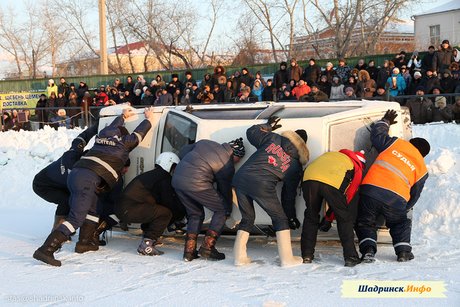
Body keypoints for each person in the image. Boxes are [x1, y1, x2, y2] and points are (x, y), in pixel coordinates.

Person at [33, 107, 154, 266]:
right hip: (87, 179)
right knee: (76, 218)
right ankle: (46, 249)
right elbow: (139, 134)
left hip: (79, 174)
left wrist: (122, 116)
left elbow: (113, 126)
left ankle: (84, 243)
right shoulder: (124, 144)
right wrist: (149, 119)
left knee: (93, 209)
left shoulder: (104, 135)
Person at [232, 117, 309, 267]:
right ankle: (287, 259)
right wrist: (290, 216)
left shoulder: (274, 138)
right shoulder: (295, 166)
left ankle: (239, 258)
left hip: (240, 179)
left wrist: (268, 126)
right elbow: (288, 195)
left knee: (247, 218)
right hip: (261, 185)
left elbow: (251, 131)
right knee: (280, 219)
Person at [356, 110, 430, 263]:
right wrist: (405, 206)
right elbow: (415, 194)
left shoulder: (398, 144)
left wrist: (385, 121)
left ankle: (368, 251)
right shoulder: (422, 168)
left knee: (366, 221)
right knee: (400, 223)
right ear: (423, 155)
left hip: (370, 190)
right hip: (396, 199)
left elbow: (377, 136)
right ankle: (403, 252)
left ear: (411, 143)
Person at [172, 138, 246, 261]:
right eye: (239, 159)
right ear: (235, 154)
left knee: (195, 214)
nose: (238, 162)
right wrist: (228, 210)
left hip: (177, 180)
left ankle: (189, 252)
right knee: (221, 210)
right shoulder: (227, 165)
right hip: (197, 184)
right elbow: (224, 189)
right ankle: (208, 247)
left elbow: (183, 151)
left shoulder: (205, 142)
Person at [301, 149, 366, 267]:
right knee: (344, 219)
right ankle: (350, 257)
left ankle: (307, 255)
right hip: (330, 182)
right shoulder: (356, 166)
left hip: (308, 178)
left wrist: (328, 217)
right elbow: (348, 198)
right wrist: (329, 218)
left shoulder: (332, 155)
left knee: (311, 216)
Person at [115, 152, 186, 256]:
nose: (174, 171)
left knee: (156, 210)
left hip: (124, 208)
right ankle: (147, 244)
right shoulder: (163, 178)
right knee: (165, 213)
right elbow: (168, 202)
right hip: (129, 209)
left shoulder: (153, 175)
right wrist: (181, 214)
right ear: (169, 164)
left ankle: (147, 236)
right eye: (174, 167)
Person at [32, 123, 99, 229]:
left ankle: (67, 227)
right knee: (66, 200)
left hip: (58, 183)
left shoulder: (75, 152)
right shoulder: (75, 170)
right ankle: (57, 230)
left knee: (73, 199)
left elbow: (83, 137)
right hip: (41, 184)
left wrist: (97, 125)